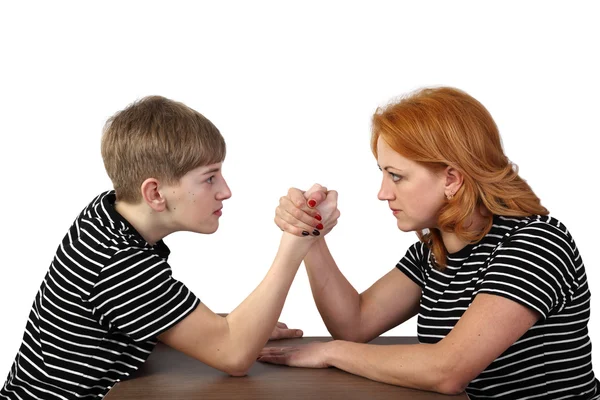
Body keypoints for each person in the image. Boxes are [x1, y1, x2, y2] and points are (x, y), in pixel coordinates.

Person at [259, 87, 600, 399]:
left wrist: (330, 351)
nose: (383, 193)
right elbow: (354, 324)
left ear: (451, 179)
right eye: (382, 173)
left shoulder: (535, 244)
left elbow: (448, 371)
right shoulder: (433, 252)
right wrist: (309, 232)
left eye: (396, 175)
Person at [0, 96, 324, 400]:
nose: (225, 191)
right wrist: (295, 244)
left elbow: (132, 315)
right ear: (154, 193)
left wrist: (241, 324)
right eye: (210, 178)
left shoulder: (105, 215)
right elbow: (235, 355)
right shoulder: (120, 264)